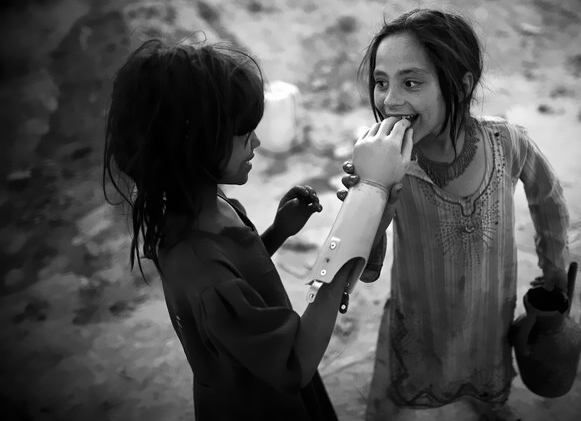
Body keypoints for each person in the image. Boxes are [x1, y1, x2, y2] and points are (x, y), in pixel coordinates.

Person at [102, 38, 412, 420]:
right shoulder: (200, 267)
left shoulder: (208, 209)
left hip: (265, 371)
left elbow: (239, 282)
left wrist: (278, 232)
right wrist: (365, 202)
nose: (257, 142)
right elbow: (294, 363)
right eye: (243, 133)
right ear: (194, 142)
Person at [338, 8, 570, 421]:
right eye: (381, 82)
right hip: (420, 318)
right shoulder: (388, 160)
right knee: (398, 391)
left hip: (488, 312)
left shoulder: (505, 142)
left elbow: (547, 194)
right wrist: (372, 195)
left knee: (484, 373)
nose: (389, 100)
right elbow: (368, 270)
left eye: (411, 82)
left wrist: (555, 266)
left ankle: (488, 403)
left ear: (460, 86)